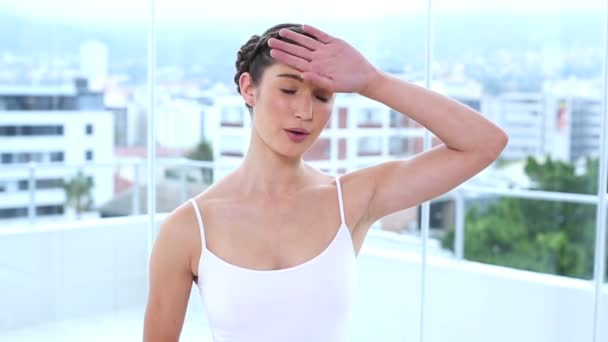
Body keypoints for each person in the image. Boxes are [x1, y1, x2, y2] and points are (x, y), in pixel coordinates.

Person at [143, 23, 508, 342]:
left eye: (322, 96)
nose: (306, 112)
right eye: (288, 91)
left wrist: (372, 81)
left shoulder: (351, 200)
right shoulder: (189, 228)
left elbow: (484, 144)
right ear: (248, 88)